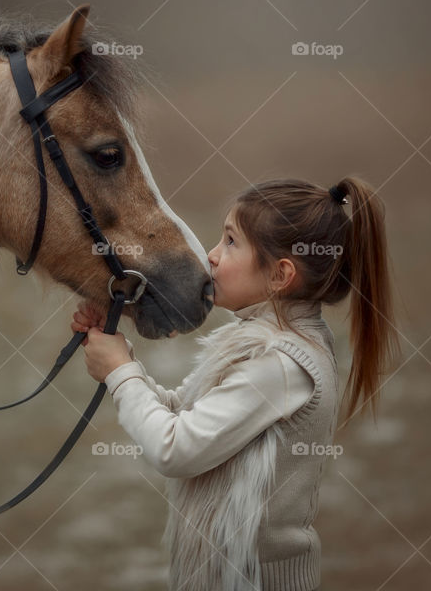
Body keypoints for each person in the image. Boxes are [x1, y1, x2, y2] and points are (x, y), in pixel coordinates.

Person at [72, 177, 401, 591]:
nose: (210, 256)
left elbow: (175, 449)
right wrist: (119, 359)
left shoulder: (281, 363)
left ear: (280, 275)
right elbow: (187, 415)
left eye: (230, 242)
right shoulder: (271, 347)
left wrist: (121, 373)